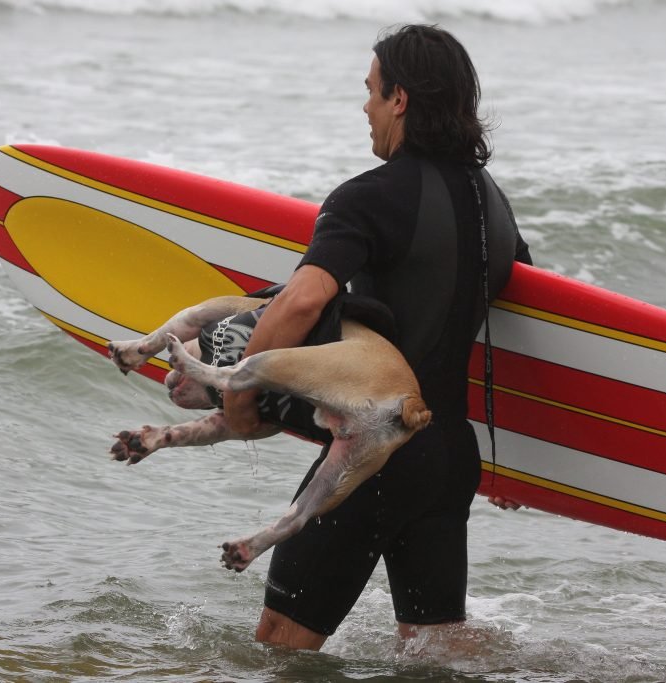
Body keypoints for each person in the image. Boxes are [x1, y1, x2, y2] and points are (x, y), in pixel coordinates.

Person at [224, 24, 532, 650]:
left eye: (370, 90)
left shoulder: (368, 197)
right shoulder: (495, 208)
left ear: (401, 99)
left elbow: (303, 298)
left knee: (280, 646)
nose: (363, 105)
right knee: (432, 648)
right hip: (451, 458)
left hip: (378, 452)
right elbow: (511, 328)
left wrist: (240, 391)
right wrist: (520, 463)